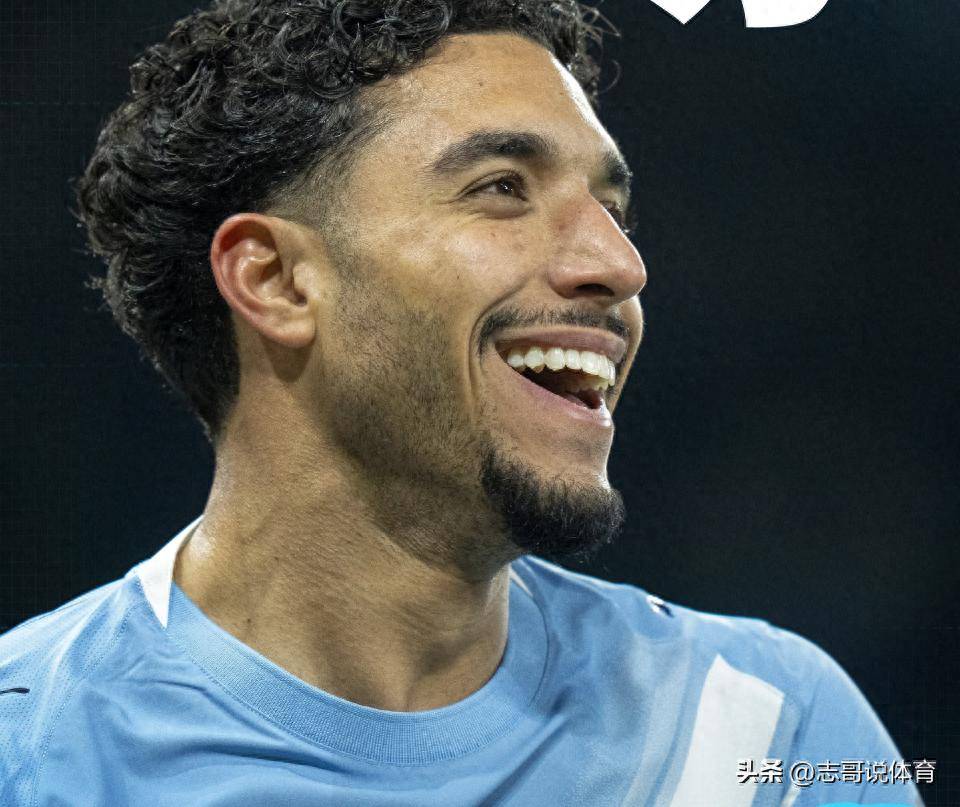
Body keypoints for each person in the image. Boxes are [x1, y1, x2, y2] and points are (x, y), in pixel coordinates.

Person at [0, 1, 923, 805]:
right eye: (502, 189)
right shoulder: (31, 754)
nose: (620, 265)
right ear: (276, 280)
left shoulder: (769, 737)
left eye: (612, 209)